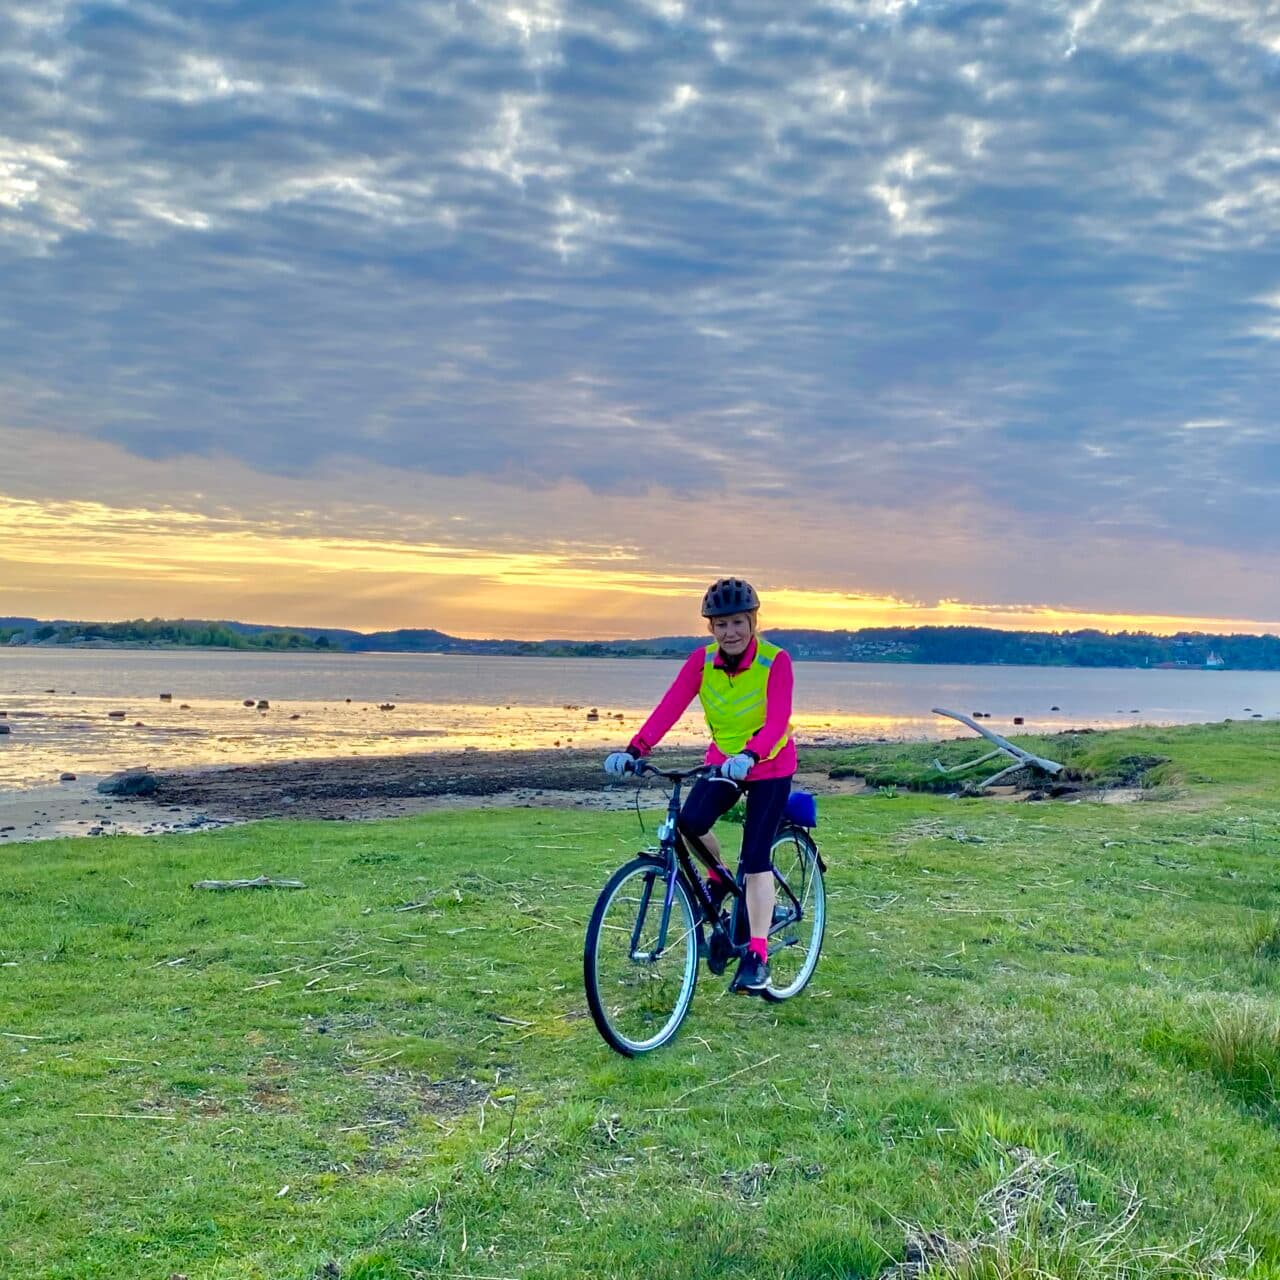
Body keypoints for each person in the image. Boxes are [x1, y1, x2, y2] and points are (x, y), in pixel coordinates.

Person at [604, 577, 795, 994]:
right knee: (690, 821)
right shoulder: (702, 662)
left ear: (753, 621)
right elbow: (670, 707)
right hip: (723, 762)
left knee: (756, 856)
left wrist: (751, 755)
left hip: (770, 765)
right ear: (710, 628)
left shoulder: (775, 661)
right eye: (720, 625)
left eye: (738, 623)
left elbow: (778, 721)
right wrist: (637, 748)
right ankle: (716, 877)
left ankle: (757, 956)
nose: (730, 633)